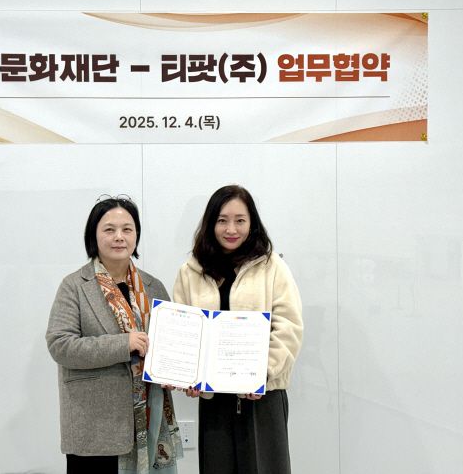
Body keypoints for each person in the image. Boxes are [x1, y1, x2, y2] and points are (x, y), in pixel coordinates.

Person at [46, 195, 182, 474]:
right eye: (109, 229)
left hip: (149, 417)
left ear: (136, 235)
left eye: (127, 229)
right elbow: (60, 345)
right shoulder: (74, 286)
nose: (119, 236)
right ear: (93, 236)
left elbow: (172, 343)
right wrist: (124, 344)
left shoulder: (153, 286)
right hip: (94, 423)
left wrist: (176, 371)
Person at [173, 185, 303, 474]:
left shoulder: (272, 267)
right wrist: (188, 374)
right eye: (222, 220)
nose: (231, 229)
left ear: (252, 223)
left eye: (240, 220)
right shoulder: (190, 271)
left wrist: (263, 372)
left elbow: (289, 326)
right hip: (214, 400)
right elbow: (183, 331)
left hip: (262, 396)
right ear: (211, 223)